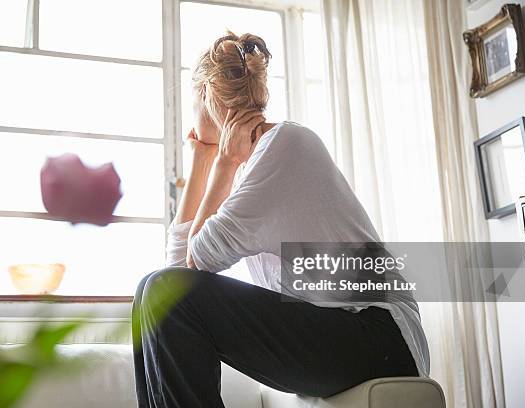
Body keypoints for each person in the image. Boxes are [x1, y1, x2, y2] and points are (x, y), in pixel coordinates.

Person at [132, 32, 429, 408]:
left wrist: (220, 163)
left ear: (207, 96)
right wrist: (202, 159)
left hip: (379, 334)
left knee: (161, 291)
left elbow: (196, 261)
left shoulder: (286, 146)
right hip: (336, 330)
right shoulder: (249, 167)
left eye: (193, 103)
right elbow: (177, 271)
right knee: (151, 290)